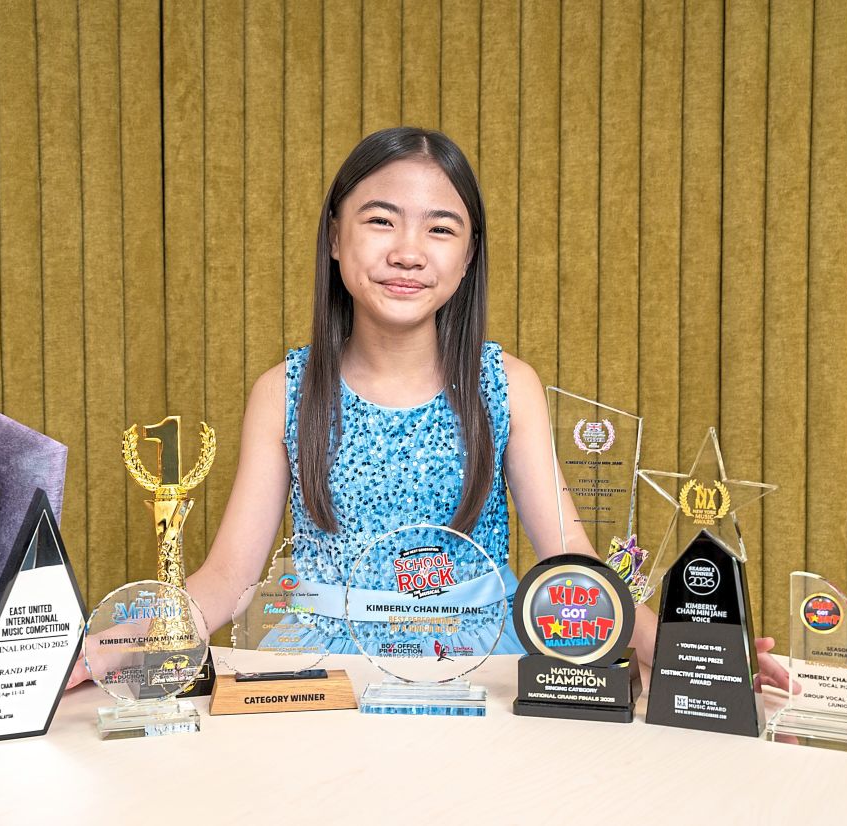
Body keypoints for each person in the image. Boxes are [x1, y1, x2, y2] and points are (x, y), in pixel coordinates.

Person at [70, 126, 790, 691]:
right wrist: (107, 649)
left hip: (476, 664)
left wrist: (680, 652)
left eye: (440, 229)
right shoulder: (283, 392)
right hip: (327, 677)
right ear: (334, 237)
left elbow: (569, 558)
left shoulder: (508, 385)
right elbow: (228, 579)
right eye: (381, 221)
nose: (409, 252)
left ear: (470, 255)